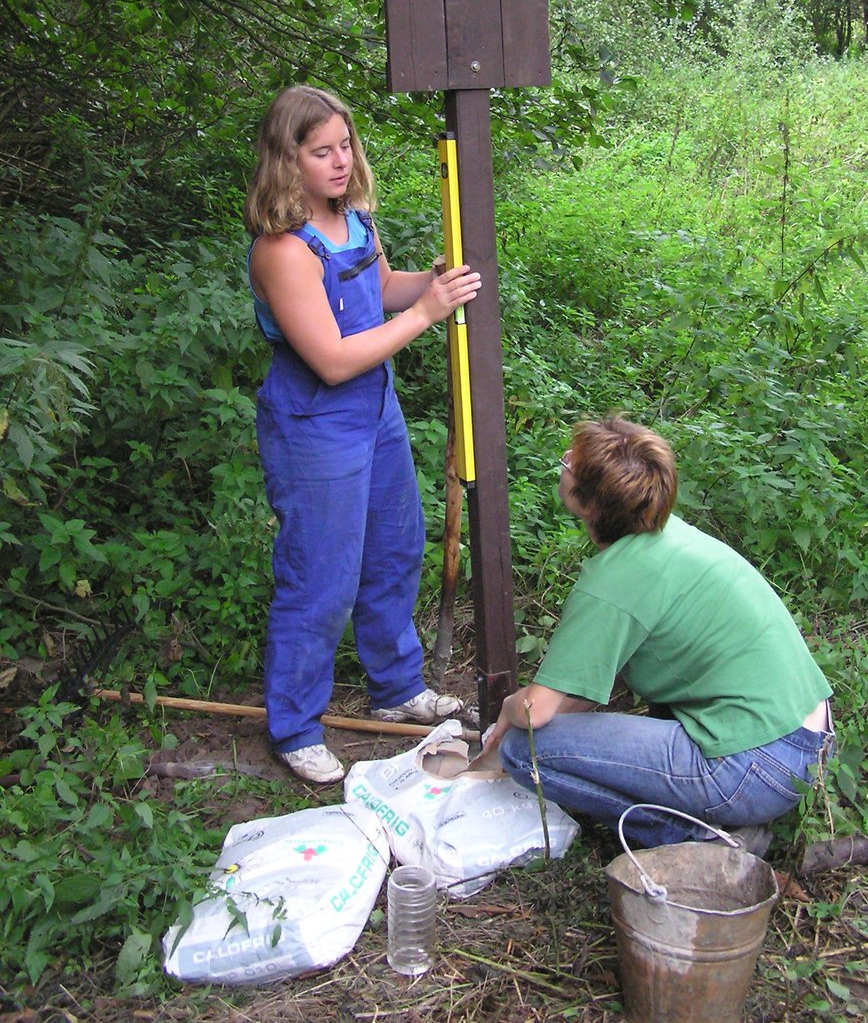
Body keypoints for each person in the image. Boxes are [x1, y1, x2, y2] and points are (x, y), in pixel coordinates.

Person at [244, 85, 481, 784]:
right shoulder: (282, 250)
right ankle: (293, 724)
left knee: (394, 547)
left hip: (375, 412)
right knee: (321, 578)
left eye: (345, 145)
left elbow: (381, 290)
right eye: (322, 151)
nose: (340, 161)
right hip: (315, 423)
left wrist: (431, 281)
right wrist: (430, 314)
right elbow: (332, 356)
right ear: (287, 159)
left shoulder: (355, 220)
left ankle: (398, 684)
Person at [485, 415, 834, 851]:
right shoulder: (669, 536)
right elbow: (580, 693)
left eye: (573, 463)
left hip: (757, 766)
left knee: (523, 750)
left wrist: (509, 708)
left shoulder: (616, 581)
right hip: (805, 739)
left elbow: (536, 715)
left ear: (590, 505)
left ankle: (702, 838)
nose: (567, 460)